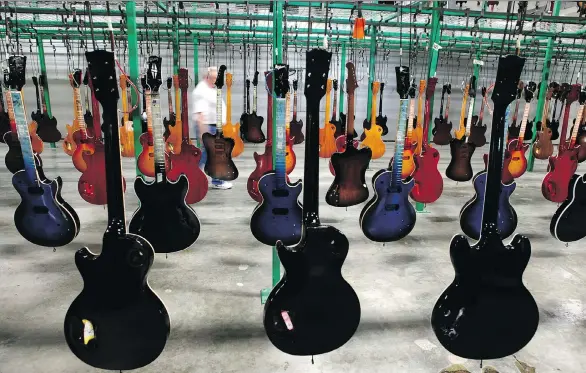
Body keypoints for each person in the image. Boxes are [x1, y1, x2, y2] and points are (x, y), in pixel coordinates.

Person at [192, 66, 232, 190]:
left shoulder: (210, 88)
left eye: (217, 78)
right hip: (208, 127)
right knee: (210, 155)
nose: (215, 81)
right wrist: (204, 132)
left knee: (211, 155)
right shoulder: (201, 91)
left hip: (214, 127)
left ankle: (210, 179)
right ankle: (195, 176)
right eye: (213, 78)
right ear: (207, 77)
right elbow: (200, 114)